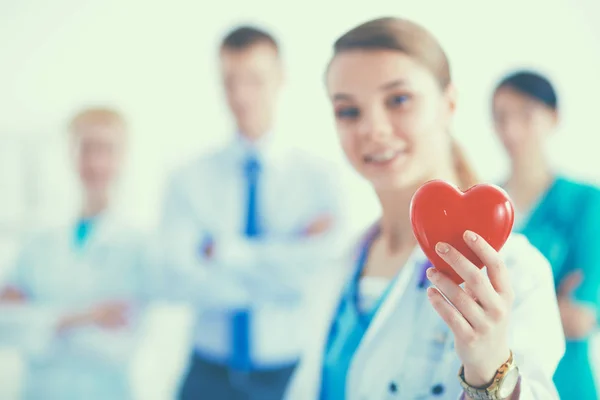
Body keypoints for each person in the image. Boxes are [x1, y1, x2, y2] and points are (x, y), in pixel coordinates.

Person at [283, 17, 565, 400]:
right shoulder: (338, 265)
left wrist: (490, 372)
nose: (373, 128)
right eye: (349, 111)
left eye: (398, 100)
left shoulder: (515, 271)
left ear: (449, 104)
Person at [160, 25, 347, 400]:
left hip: (285, 375)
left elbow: (314, 277)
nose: (241, 95)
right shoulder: (187, 179)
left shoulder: (319, 180)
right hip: (205, 374)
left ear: (281, 79)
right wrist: (285, 256)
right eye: (230, 80)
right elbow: (178, 278)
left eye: (254, 80)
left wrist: (224, 252)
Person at [0, 107, 152, 400]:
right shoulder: (37, 241)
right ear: (71, 154)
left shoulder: (139, 246)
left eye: (106, 149)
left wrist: (40, 320)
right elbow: (4, 325)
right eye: (86, 148)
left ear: (124, 157)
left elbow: (118, 347)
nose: (95, 162)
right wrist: (87, 316)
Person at [492, 70, 600, 400]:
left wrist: (497, 315)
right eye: (501, 117)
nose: (511, 130)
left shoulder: (586, 202)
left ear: (553, 117)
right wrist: (551, 301)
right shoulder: (483, 205)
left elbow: (581, 318)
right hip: (497, 384)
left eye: (526, 114)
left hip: (566, 384)